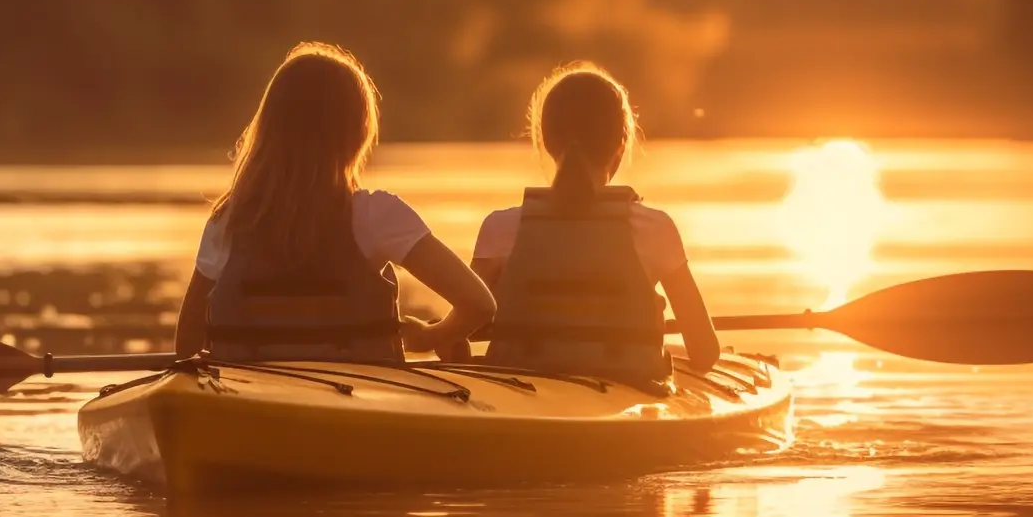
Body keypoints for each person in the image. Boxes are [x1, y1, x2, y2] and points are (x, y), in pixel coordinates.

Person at [173, 43, 495, 363]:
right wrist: (430, 336)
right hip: (361, 404)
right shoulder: (379, 216)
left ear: (269, 128)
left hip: (247, 401)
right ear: (357, 134)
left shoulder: (227, 221)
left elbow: (187, 344)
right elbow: (479, 304)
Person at [471, 63, 721, 374]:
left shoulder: (499, 227)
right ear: (621, 144)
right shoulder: (655, 229)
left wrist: (450, 348)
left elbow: (459, 333)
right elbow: (705, 352)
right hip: (631, 391)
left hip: (517, 393)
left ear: (547, 143)